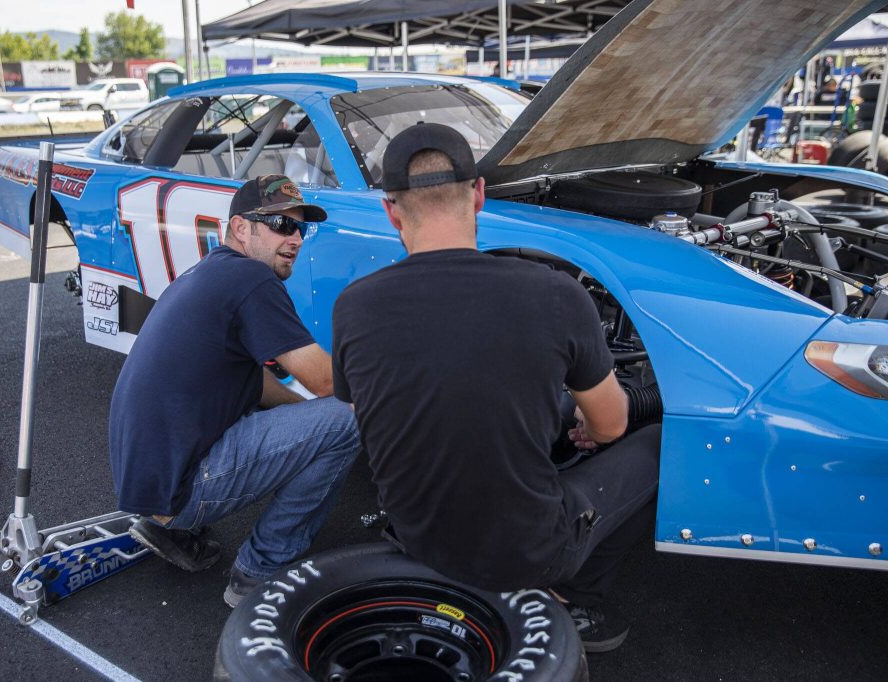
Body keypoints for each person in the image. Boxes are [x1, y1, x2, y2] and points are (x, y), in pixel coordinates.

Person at [331, 123, 661, 653]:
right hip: (528, 553)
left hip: (416, 536)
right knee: (655, 445)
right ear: (480, 194)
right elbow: (614, 424)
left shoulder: (354, 305)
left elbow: (367, 405)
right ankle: (577, 596)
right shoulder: (556, 295)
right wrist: (584, 421)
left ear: (391, 210)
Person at [110, 174, 360, 608]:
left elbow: (260, 382)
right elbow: (326, 380)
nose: (296, 238)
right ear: (241, 228)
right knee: (352, 418)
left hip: (148, 482)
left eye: (301, 227)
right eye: (282, 225)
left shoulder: (209, 272)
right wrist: (400, 382)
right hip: (182, 487)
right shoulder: (252, 279)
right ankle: (259, 571)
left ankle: (168, 526)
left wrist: (306, 420)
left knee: (320, 418)